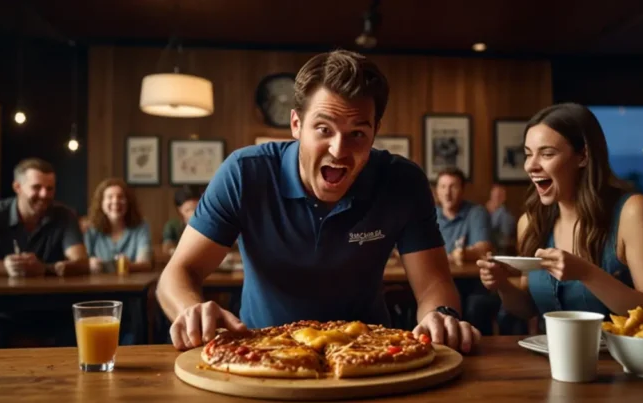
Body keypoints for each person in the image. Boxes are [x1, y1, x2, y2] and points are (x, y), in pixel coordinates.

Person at [156, 49, 481, 354]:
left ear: (375, 131)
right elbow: (179, 273)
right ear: (296, 124)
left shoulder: (402, 181)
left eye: (357, 133)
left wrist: (441, 314)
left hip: (370, 353)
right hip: (260, 351)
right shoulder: (244, 174)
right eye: (324, 129)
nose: (339, 150)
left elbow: (434, 284)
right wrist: (191, 311)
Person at [476, 103, 643, 327]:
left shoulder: (634, 211)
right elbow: (527, 309)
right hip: (550, 358)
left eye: (547, 153)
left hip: (621, 359)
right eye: (528, 155)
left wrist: (587, 274)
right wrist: (503, 285)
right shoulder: (530, 223)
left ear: (583, 156)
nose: (531, 166)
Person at [0, 158, 88, 348]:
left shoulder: (64, 215)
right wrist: (6, 267)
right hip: (0, 310)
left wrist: (43, 268)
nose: (44, 194)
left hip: (53, 309)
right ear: (17, 187)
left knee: (80, 346)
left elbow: (81, 262)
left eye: (50, 188)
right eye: (36, 187)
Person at [84, 178, 152, 273]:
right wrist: (90, 263)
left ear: (128, 202)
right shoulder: (90, 228)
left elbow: (145, 264)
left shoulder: (141, 226)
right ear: (101, 203)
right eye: (110, 197)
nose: (115, 201)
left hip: (132, 285)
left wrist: (123, 266)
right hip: (97, 285)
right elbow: (83, 262)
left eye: (121, 197)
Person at [435, 167, 493, 265]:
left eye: (453, 187)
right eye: (443, 187)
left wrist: (464, 254)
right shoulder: (428, 215)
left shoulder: (477, 212)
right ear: (437, 190)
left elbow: (483, 249)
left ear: (462, 190)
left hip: (466, 277)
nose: (447, 193)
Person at [162, 185, 203, 256]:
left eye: (197, 208)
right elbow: (167, 247)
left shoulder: (210, 225)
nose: (193, 213)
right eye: (188, 210)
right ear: (180, 210)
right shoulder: (173, 226)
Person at [485, 184, 516, 255]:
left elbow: (505, 241)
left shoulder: (506, 216)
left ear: (504, 198)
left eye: (499, 196)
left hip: (499, 252)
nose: (496, 198)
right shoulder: (486, 212)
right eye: (494, 195)